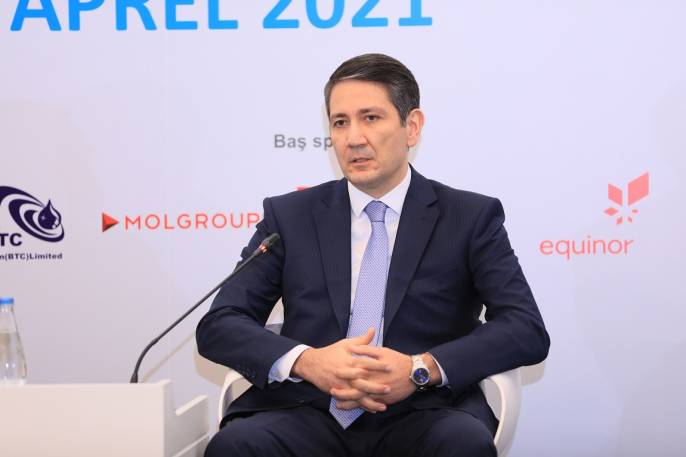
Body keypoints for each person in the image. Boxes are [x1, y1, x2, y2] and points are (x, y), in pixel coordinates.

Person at [197, 53, 550, 457]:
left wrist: (419, 369)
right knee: (237, 446)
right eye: (340, 122)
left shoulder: (468, 217)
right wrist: (308, 362)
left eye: (371, 118)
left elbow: (525, 327)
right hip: (307, 409)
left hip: (425, 411)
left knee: (462, 444)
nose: (353, 138)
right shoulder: (290, 217)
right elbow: (220, 324)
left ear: (411, 126)